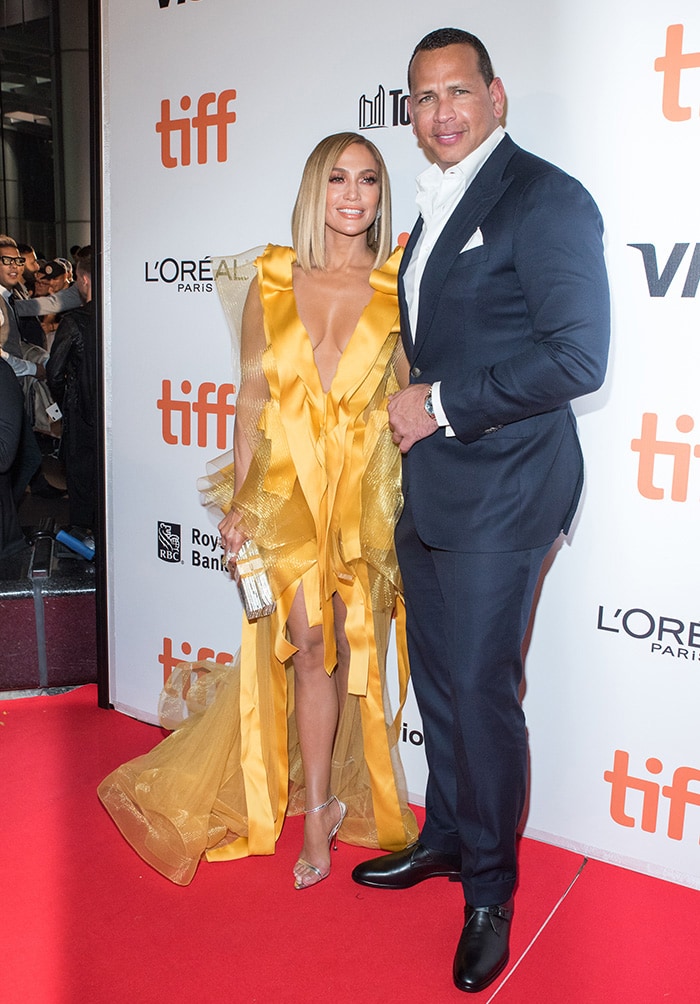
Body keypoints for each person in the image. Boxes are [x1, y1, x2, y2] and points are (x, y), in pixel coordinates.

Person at [351, 28, 610, 994]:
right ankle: (451, 837)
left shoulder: (547, 198)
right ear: (408, 112)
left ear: (497, 97)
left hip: (507, 493)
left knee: (483, 691)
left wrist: (442, 406)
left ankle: (492, 894)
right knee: (441, 682)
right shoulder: (432, 209)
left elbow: (579, 357)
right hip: (433, 491)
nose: (442, 111)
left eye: (459, 91)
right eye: (423, 98)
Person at [98, 132, 418, 887]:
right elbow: (247, 400)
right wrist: (239, 501)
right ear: (314, 189)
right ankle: (315, 818)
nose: (351, 194)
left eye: (367, 180)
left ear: (381, 194)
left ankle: (336, 791)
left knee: (349, 645)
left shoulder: (400, 282)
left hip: (365, 495)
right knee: (308, 643)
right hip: (284, 491)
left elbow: (413, 393)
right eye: (336, 178)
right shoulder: (271, 279)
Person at [46, 247, 97, 531]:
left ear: (84, 280)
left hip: (81, 419)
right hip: (113, 420)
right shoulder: (118, 317)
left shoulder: (74, 321)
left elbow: (54, 373)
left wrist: (66, 402)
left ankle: (83, 552)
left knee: (81, 486)